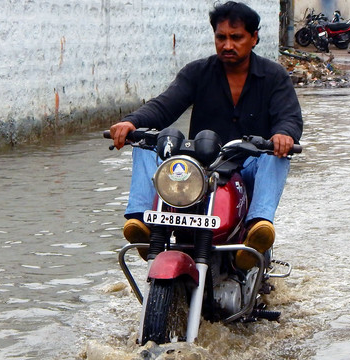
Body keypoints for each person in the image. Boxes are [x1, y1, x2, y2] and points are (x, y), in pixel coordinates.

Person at [109, 1, 303, 270]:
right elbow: (165, 105)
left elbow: (289, 117)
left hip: (249, 166)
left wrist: (284, 135)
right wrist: (131, 123)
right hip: (200, 167)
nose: (227, 45)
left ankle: (255, 231)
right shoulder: (197, 72)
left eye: (236, 38)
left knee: (277, 154)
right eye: (221, 37)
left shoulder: (274, 76)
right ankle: (141, 222)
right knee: (144, 143)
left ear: (254, 38)